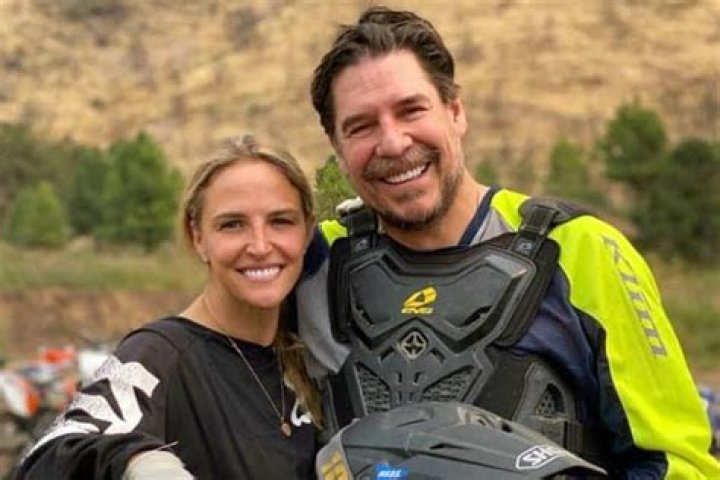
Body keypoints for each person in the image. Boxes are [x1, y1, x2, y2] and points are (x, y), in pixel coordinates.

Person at [296, 6, 719, 479]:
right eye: (361, 126)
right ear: (338, 150)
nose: (393, 143)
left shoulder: (579, 249)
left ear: (456, 112)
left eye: (411, 110)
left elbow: (678, 464)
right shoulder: (313, 263)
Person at [17, 134, 321, 479]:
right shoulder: (159, 355)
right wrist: (139, 461)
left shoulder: (318, 348)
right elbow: (46, 457)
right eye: (232, 225)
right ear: (198, 237)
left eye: (281, 221)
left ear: (308, 232)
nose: (260, 246)